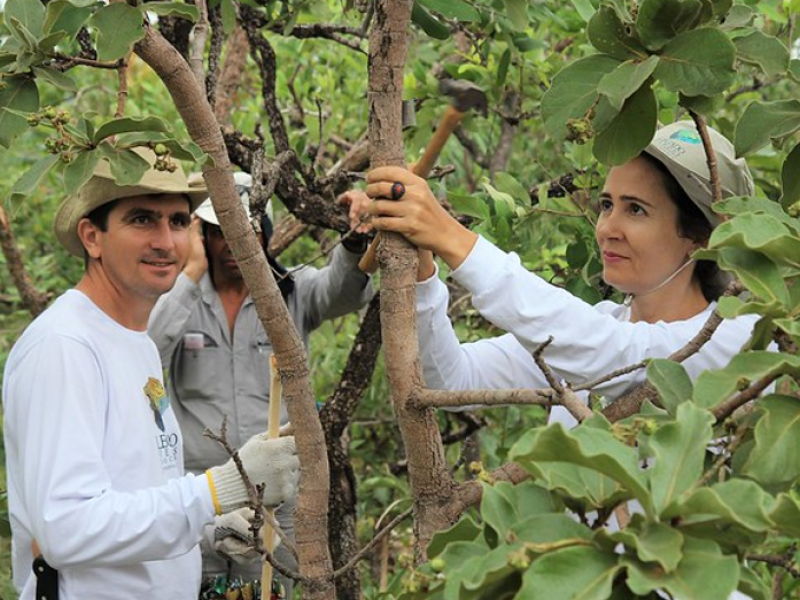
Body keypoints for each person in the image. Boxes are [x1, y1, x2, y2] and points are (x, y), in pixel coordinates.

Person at [2, 149, 300, 600]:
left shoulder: (136, 341)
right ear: (92, 237)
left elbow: (137, 488)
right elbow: (67, 528)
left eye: (178, 221)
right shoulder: (64, 347)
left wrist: (209, 524)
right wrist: (216, 491)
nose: (165, 241)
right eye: (142, 220)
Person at [351, 120, 758, 426]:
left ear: (701, 237)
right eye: (606, 204)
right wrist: (423, 270)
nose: (607, 229)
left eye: (636, 209)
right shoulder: (595, 327)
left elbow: (620, 355)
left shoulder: (738, 339)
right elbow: (451, 381)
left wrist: (452, 237)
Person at [148, 171, 374, 594]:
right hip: (201, 495)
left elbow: (343, 291)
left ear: (264, 235)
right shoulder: (180, 300)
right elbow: (144, 355)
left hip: (279, 498)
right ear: (203, 237)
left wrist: (357, 237)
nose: (233, 244)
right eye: (219, 232)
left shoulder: (291, 293)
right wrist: (190, 272)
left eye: (246, 231)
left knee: (271, 591)